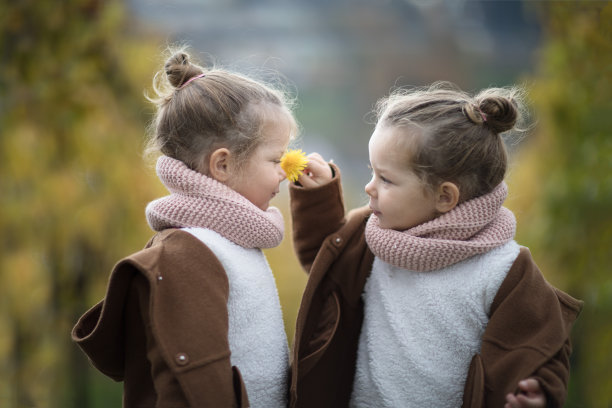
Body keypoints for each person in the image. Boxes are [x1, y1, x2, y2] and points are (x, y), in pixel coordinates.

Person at [287, 82, 583, 407]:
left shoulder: (503, 268)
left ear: (444, 197)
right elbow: (325, 269)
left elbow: (543, 347)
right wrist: (318, 198)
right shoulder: (371, 235)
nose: (370, 188)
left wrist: (540, 393)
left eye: (386, 179)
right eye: (372, 173)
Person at [72, 49, 297, 407]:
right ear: (222, 165)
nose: (285, 172)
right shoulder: (192, 252)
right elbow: (188, 386)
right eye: (275, 159)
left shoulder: (232, 241)